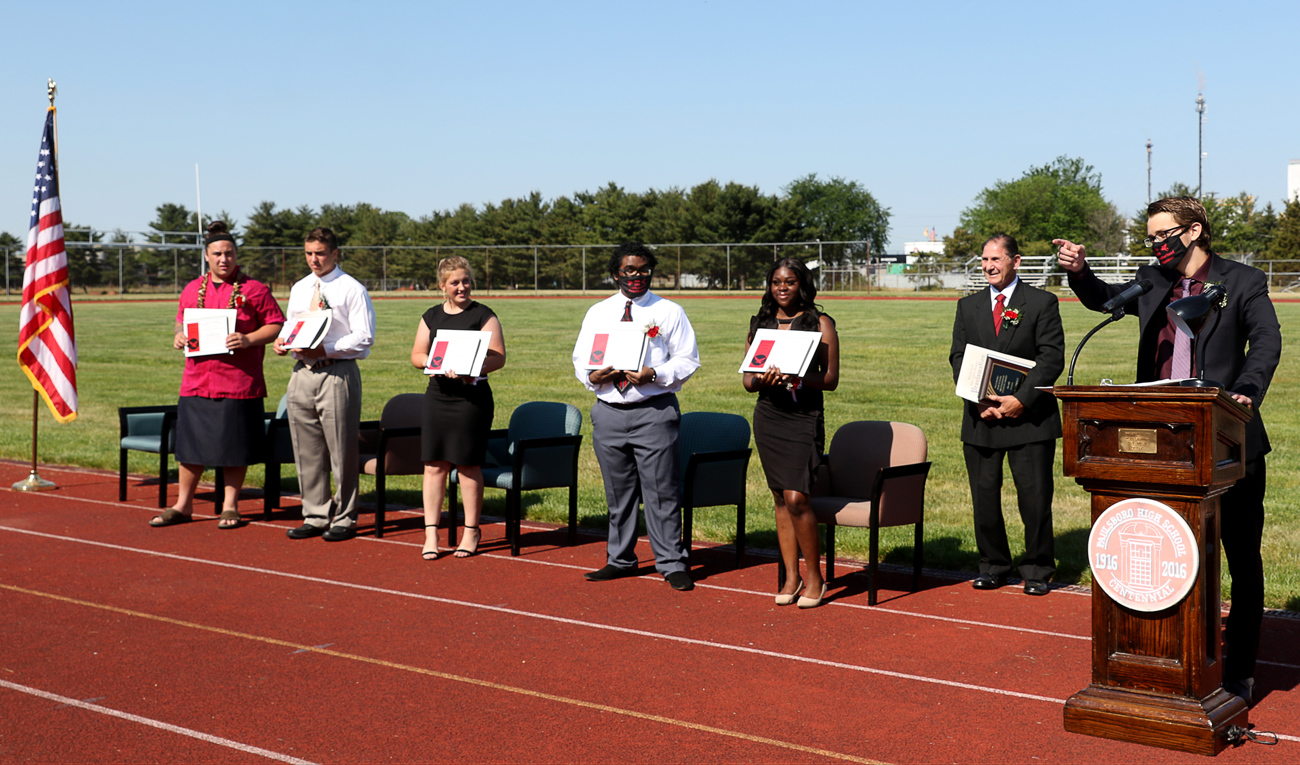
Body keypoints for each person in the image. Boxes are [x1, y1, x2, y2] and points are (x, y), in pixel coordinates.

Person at [1056, 195, 1281, 705]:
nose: (1155, 244)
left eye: (1164, 234)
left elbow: (1266, 342)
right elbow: (1104, 300)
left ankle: (1240, 669)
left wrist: (1244, 391)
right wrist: (1080, 271)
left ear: (1195, 230)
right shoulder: (1153, 279)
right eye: (1151, 237)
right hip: (1162, 446)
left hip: (1231, 441)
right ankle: (1167, 661)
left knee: (1242, 561)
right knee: (1169, 556)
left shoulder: (1242, 281)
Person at [571, 242, 700, 591]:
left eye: (643, 270)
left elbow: (687, 359)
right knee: (619, 493)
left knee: (661, 492)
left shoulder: (669, 311)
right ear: (616, 274)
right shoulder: (598, 312)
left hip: (653, 411)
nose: (637, 276)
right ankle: (620, 559)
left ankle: (671, 562)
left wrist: (654, 375)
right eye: (629, 270)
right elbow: (582, 358)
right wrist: (591, 376)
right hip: (609, 412)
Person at [949, 234, 1064, 596]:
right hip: (981, 419)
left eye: (995, 259)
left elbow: (1051, 358)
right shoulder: (968, 306)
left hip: (1030, 421)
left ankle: (1037, 569)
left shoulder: (1043, 302)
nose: (988, 266)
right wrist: (977, 400)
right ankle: (993, 565)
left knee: (1034, 498)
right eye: (984, 260)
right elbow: (958, 358)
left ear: (1016, 261)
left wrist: (1021, 399)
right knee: (984, 497)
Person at [151, 221, 284, 529]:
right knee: (190, 447)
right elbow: (180, 322)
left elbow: (277, 324)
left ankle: (230, 506)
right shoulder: (191, 289)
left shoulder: (254, 289)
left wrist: (249, 339)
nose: (224, 260)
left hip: (238, 382)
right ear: (207, 257)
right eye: (218, 254)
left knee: (233, 445)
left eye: (229, 254)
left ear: (236, 255)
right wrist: (179, 336)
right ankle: (183, 505)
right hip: (197, 382)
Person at [743, 258, 839, 608]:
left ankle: (816, 578)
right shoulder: (761, 324)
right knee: (781, 499)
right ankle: (791, 576)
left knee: (798, 497)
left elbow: (830, 379)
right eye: (776, 282)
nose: (782, 288)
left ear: (802, 285)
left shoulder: (820, 322)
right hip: (769, 416)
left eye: (790, 282)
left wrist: (796, 378)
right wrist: (762, 380)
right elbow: (747, 381)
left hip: (803, 418)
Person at [273, 227, 376, 542]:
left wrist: (326, 350)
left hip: (337, 372)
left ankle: (344, 516)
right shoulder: (301, 287)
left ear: (334, 253)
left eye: (319, 253)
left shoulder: (351, 289)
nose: (313, 260)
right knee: (307, 449)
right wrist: (282, 341)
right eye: (308, 253)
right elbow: (293, 325)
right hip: (302, 372)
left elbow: (364, 337)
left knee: (341, 448)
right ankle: (315, 514)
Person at [409, 256, 506, 560]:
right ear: (442, 286)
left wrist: (473, 369)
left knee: (467, 465)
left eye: (465, 281)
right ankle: (430, 535)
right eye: (455, 282)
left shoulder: (483, 315)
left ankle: (471, 531)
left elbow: (499, 356)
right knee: (434, 465)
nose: (462, 287)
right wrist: (431, 362)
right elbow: (416, 354)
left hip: (471, 399)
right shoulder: (431, 316)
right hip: (438, 397)